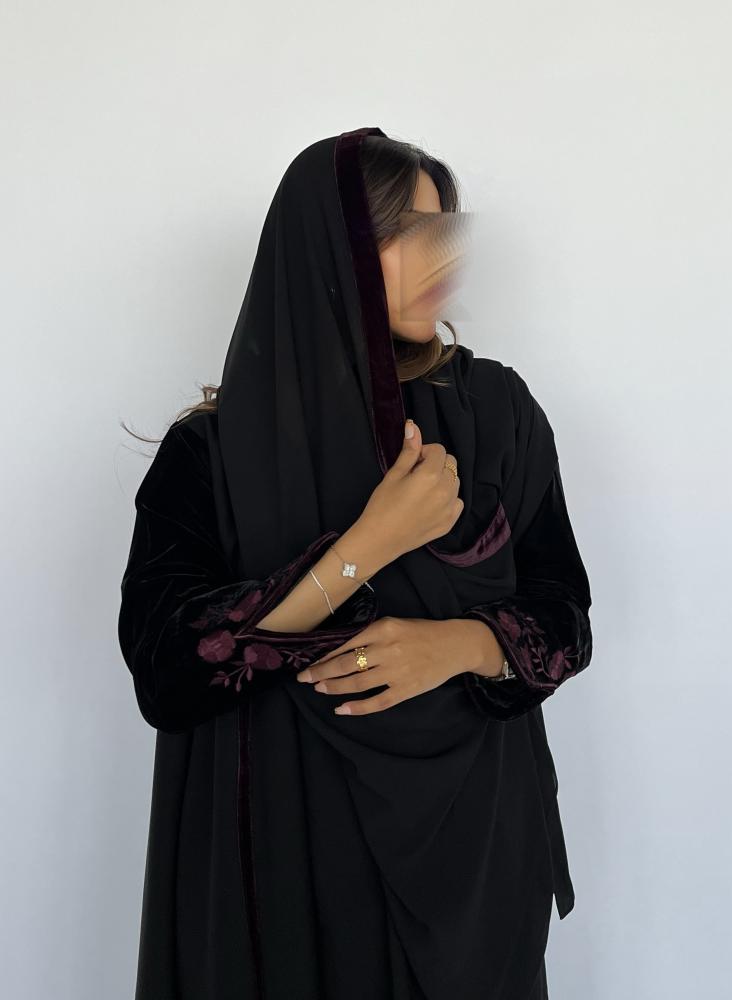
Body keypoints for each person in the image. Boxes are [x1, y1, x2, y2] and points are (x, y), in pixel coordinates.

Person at [117, 126, 593, 1000]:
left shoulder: (496, 413)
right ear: (325, 250)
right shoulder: (212, 455)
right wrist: (365, 547)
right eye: (405, 233)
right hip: (285, 861)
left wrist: (460, 646)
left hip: (475, 866)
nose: (441, 257)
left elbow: (563, 614)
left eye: (445, 231)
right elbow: (169, 675)